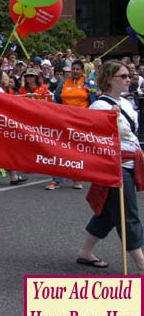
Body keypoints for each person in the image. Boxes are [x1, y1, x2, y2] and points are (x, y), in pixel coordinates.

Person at [78, 60, 144, 273]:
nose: (128, 79)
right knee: (128, 214)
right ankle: (141, 263)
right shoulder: (99, 106)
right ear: (108, 79)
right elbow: (91, 136)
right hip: (114, 165)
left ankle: (85, 252)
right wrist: (107, 121)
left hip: (131, 161)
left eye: (129, 75)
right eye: (123, 76)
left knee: (108, 211)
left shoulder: (125, 102)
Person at [50, 60, 96, 190]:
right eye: (73, 69)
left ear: (82, 71)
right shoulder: (64, 82)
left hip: (81, 121)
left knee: (77, 150)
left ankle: (77, 178)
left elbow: (94, 101)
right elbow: (57, 98)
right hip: (64, 120)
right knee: (60, 148)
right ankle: (56, 180)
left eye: (77, 69)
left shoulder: (88, 83)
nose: (75, 71)